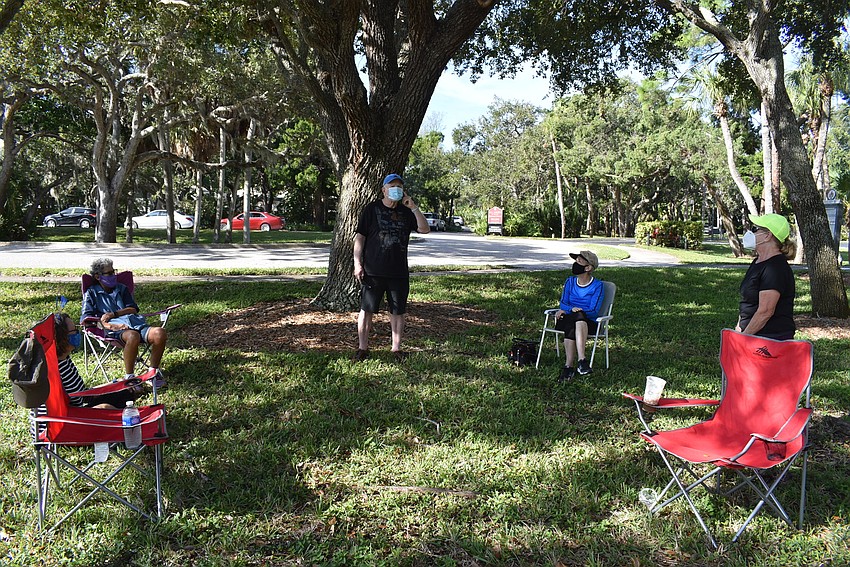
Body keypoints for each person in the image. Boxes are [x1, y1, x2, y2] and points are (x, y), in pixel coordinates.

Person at [352, 173, 430, 362]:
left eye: (400, 186)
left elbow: (425, 229)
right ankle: (363, 348)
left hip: (398, 271)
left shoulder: (406, 212)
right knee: (366, 310)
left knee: (397, 311)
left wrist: (414, 208)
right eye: (392, 186)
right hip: (373, 270)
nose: (396, 189)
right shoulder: (371, 209)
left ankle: (396, 349)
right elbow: (360, 237)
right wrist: (357, 263)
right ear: (384, 190)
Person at [30, 313, 145, 438]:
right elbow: (79, 399)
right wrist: (104, 405)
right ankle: (129, 428)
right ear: (61, 337)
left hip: (70, 412)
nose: (77, 334)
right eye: (74, 331)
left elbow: (82, 394)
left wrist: (116, 384)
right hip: (60, 426)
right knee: (107, 407)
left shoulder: (63, 359)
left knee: (123, 391)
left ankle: (124, 419)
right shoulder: (56, 368)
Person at [81, 257, 168, 379]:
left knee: (160, 333)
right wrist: (107, 324)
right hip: (113, 330)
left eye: (114, 272)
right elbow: (86, 318)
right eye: (109, 273)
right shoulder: (91, 293)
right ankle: (130, 377)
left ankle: (153, 372)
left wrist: (114, 314)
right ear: (97, 276)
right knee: (133, 336)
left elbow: (133, 309)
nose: (113, 275)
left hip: (135, 323)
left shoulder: (121, 288)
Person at [736, 213, 797, 340]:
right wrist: (739, 327)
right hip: (751, 333)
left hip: (769, 340)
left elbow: (765, 311)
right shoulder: (757, 262)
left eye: (755, 229)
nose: (750, 233)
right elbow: (747, 302)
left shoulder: (775, 268)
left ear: (768, 235)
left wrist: (744, 338)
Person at [554, 250, 604, 381]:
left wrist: (575, 311)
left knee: (578, 317)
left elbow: (594, 310)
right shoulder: (570, 281)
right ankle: (582, 361)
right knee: (575, 318)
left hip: (589, 324)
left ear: (588, 268)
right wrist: (571, 309)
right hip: (567, 320)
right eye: (576, 260)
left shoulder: (598, 286)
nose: (576, 263)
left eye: (580, 261)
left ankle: (568, 367)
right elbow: (563, 303)